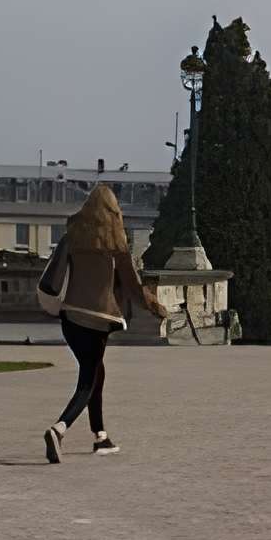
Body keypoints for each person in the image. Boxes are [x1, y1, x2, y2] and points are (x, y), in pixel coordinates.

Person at [38, 184, 161, 463]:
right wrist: (155, 306)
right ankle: (59, 429)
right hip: (97, 321)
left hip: (70, 319)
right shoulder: (116, 245)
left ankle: (101, 436)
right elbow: (133, 286)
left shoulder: (72, 238)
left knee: (95, 373)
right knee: (87, 382)